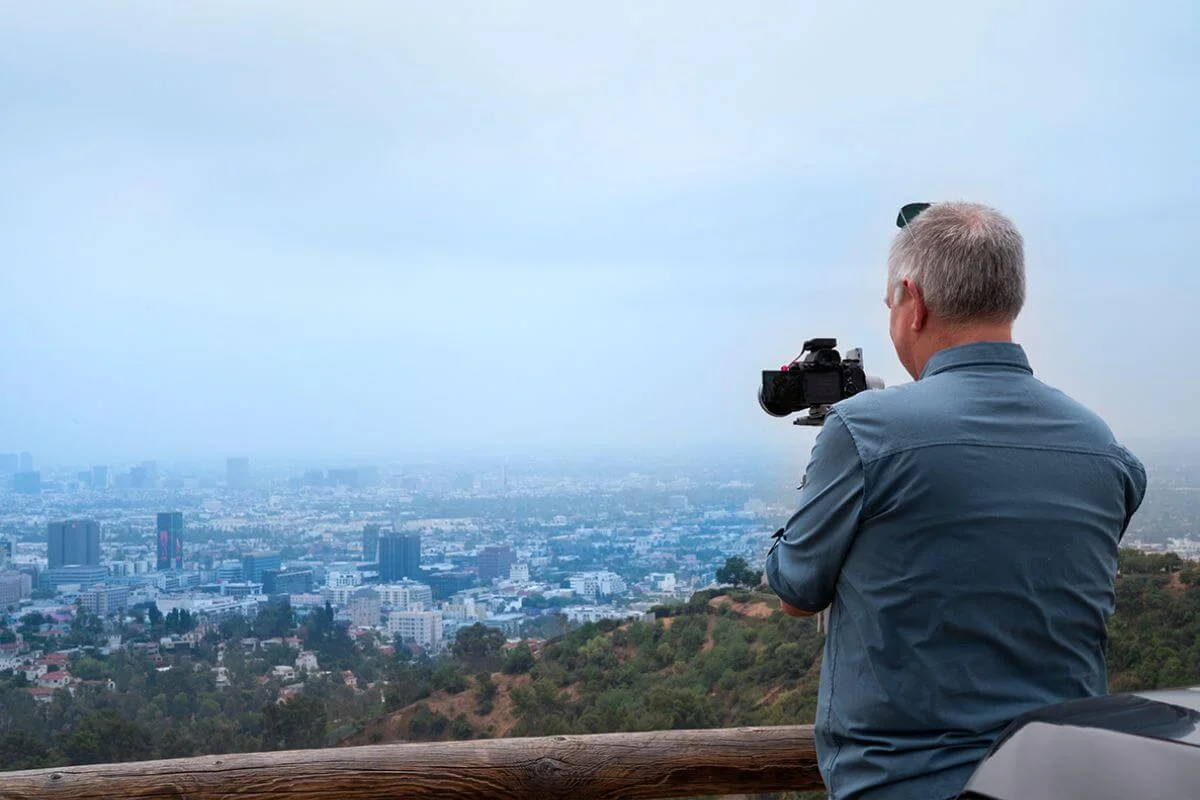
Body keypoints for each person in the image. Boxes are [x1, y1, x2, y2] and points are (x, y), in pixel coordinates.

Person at [764, 202, 1146, 800]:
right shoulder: (1101, 446)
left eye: (890, 304)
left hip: (906, 781)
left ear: (911, 301)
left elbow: (795, 592)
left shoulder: (864, 433)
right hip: (1069, 776)